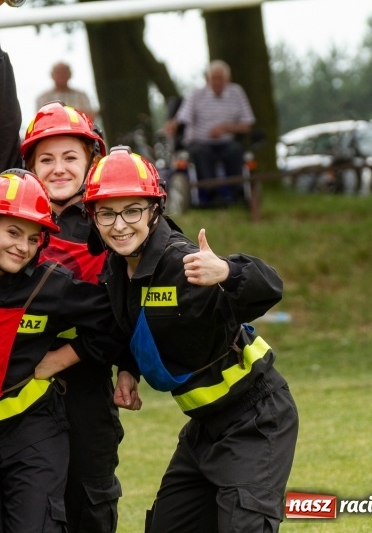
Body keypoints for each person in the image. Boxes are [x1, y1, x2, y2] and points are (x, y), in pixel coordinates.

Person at [0, 2, 140, 531]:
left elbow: (135, 303)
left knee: (89, 503)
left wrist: (124, 366)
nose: (58, 168)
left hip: (83, 381)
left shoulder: (115, 218)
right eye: (45, 159)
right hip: (15, 388)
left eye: (71, 157)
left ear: (92, 161)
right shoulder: (15, 204)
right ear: (28, 165)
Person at [84, 145, 299, 532]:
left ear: (155, 210)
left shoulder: (182, 261)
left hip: (255, 416)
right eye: (106, 213)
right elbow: (135, 324)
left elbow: (270, 287)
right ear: (93, 217)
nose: (119, 225)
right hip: (204, 426)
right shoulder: (116, 270)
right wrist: (128, 371)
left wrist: (229, 272)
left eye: (132, 210)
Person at [0, 169, 121, 532]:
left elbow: (116, 321)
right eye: (13, 232)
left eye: (34, 238)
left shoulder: (52, 284)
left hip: (33, 434)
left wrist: (65, 357)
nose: (23, 246)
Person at [173, 60, 255, 206]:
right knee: (202, 153)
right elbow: (182, 118)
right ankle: (210, 194)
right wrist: (172, 124)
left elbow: (247, 124)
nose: (216, 82)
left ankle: (237, 193)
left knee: (235, 152)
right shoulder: (196, 95)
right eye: (213, 78)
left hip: (226, 142)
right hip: (199, 142)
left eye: (220, 78)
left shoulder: (236, 93)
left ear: (228, 79)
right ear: (207, 79)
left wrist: (226, 128)